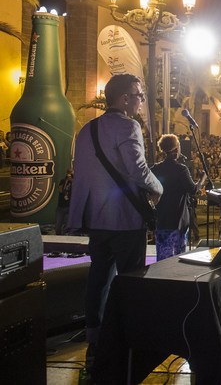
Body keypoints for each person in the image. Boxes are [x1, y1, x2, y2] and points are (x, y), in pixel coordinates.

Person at [66, 73, 163, 356]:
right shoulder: (128, 127)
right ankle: (131, 335)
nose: (141, 101)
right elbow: (137, 170)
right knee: (132, 279)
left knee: (98, 278)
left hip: (96, 220)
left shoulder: (86, 130)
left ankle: (95, 336)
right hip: (125, 218)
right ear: (124, 99)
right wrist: (160, 187)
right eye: (138, 95)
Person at [151, 134, 207, 260]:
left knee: (162, 259)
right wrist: (202, 180)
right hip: (178, 220)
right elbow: (193, 189)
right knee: (178, 259)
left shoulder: (155, 169)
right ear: (176, 149)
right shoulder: (181, 169)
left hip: (162, 219)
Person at [54, 166, 73, 235]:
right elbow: (60, 189)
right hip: (60, 206)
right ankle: (58, 239)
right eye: (68, 173)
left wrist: (72, 181)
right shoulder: (63, 181)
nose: (69, 175)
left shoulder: (74, 183)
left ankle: (65, 240)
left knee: (67, 227)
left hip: (69, 207)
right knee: (58, 226)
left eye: (71, 174)